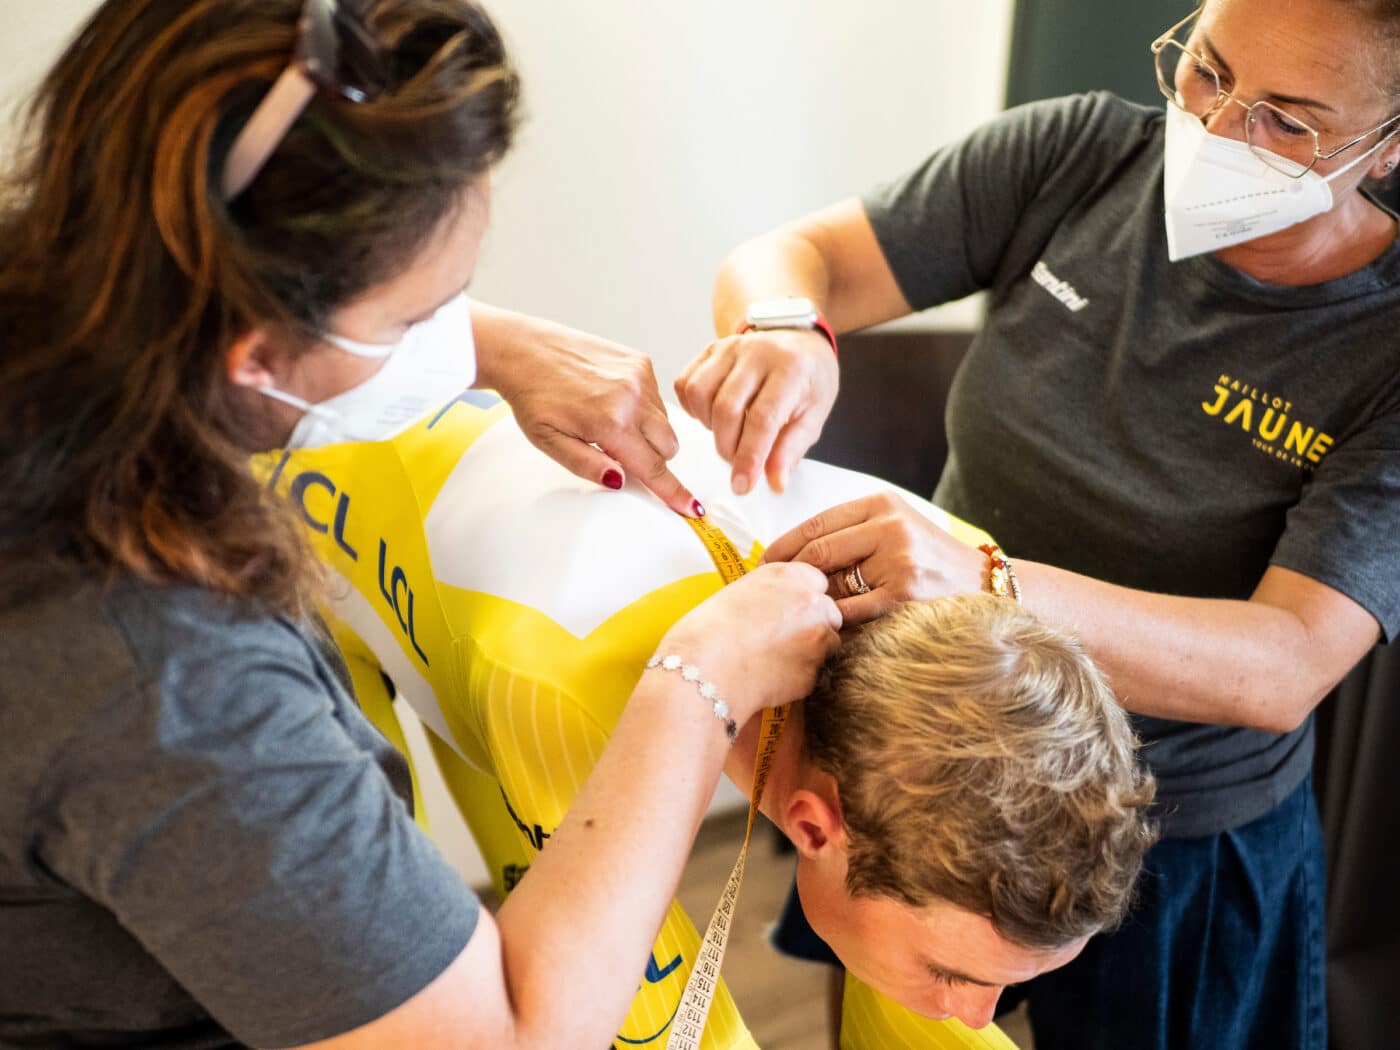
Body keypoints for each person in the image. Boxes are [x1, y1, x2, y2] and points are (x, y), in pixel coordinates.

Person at [0, 2, 843, 1048]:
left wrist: (492, 347)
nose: (448, 341)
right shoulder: (166, 690)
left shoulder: (60, 297)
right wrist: (700, 684)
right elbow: (503, 1039)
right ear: (253, 350)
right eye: (415, 320)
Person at [673, 1, 1400, 1047]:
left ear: (1383, 146)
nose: (1214, 129)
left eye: (1285, 121)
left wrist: (986, 580)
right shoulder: (1078, 157)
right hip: (926, 787)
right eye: (1204, 70)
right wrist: (785, 328)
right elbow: (796, 258)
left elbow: (1284, 665)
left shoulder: (1377, 351)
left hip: (1170, 838)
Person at [269, 396, 1155, 1047]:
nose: (982, 1012)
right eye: (959, 975)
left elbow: (935, 1009)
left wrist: (939, 991)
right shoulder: (574, 697)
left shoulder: (949, 580)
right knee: (410, 952)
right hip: (301, 519)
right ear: (813, 826)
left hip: (494, 566)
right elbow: (632, 1029)